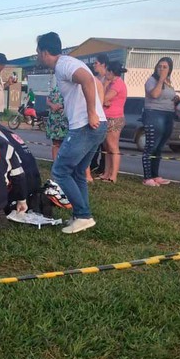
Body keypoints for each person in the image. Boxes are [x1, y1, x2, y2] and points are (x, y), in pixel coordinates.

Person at [36, 32, 107, 234]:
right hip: (95, 125)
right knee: (77, 172)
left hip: (85, 126)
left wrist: (92, 112)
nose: (38, 57)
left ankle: (83, 215)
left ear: (44, 52)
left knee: (60, 171)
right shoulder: (67, 63)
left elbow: (86, 80)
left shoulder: (63, 64)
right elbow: (94, 82)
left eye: (38, 53)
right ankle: (80, 216)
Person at [142, 57, 179, 187]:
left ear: (170, 69)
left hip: (168, 114)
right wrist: (161, 79)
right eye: (159, 66)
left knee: (159, 147)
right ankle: (147, 178)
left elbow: (167, 97)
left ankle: (155, 175)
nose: (161, 69)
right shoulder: (151, 80)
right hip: (154, 113)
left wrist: (176, 99)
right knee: (151, 146)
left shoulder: (169, 82)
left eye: (165, 67)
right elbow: (155, 94)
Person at [98, 61, 128, 183]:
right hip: (106, 117)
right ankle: (106, 173)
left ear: (111, 72)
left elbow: (103, 98)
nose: (105, 74)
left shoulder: (117, 84)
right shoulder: (112, 83)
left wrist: (104, 87)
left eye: (107, 72)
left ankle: (113, 175)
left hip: (114, 118)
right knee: (107, 147)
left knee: (113, 146)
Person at [89, 53, 110, 179]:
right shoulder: (94, 78)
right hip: (97, 112)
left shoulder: (108, 78)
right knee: (94, 143)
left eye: (96, 63)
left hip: (106, 114)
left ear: (103, 64)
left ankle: (103, 168)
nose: (94, 65)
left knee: (105, 145)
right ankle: (92, 165)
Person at [45, 82, 69, 160]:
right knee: (55, 143)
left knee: (65, 143)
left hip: (65, 119)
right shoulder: (55, 87)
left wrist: (61, 106)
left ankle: (63, 163)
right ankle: (55, 164)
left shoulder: (70, 88)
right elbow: (48, 100)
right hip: (54, 120)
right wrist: (52, 105)